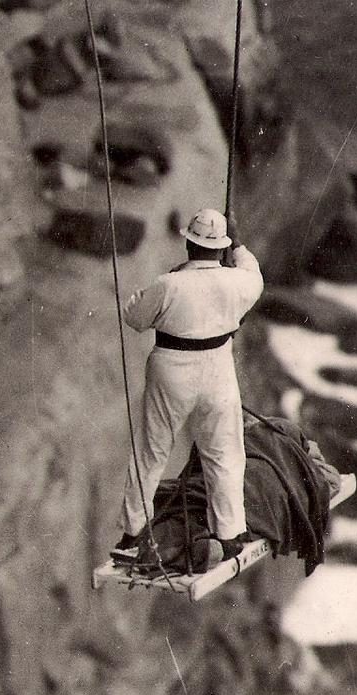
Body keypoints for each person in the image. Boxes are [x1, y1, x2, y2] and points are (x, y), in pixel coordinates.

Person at [114, 207, 264, 562]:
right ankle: (228, 535)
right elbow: (253, 275)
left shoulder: (170, 284)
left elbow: (135, 319)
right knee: (224, 451)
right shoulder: (238, 281)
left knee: (152, 450)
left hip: (173, 367)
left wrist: (148, 295)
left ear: (189, 244)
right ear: (221, 248)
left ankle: (134, 532)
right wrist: (239, 246)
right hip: (218, 368)